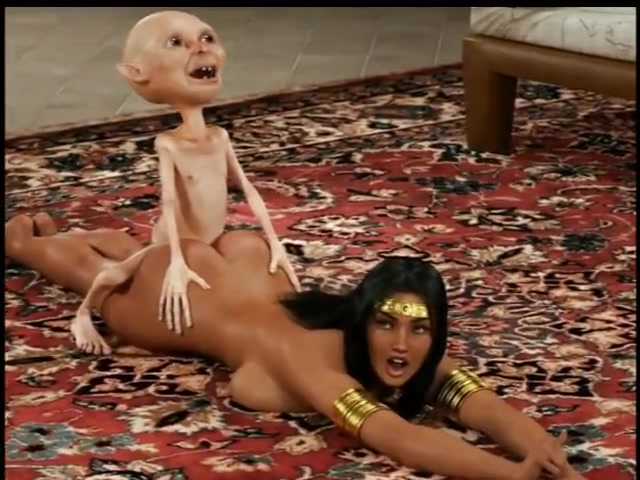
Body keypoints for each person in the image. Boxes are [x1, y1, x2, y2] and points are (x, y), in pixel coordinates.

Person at [5, 213, 586, 480]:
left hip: (250, 276)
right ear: (361, 319)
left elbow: (480, 403)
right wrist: (507, 475)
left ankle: (115, 241)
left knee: (130, 254)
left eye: (419, 329)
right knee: (86, 274)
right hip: (179, 303)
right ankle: (40, 242)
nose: (402, 344)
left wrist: (541, 448)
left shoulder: (412, 352)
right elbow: (398, 436)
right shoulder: (316, 360)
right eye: (386, 324)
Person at [71, 10, 300, 355]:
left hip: (213, 239)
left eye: (207, 38)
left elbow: (248, 189)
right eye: (176, 43)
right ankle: (82, 315)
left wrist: (275, 242)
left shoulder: (220, 136)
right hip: (174, 241)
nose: (200, 48)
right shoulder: (168, 144)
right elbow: (169, 202)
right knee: (113, 276)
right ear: (137, 73)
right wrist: (176, 260)